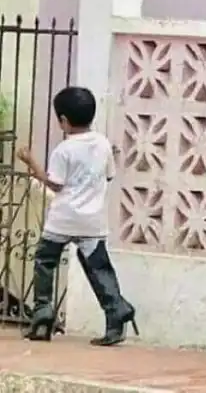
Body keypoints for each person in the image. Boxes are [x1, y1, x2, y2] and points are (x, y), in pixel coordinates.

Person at [17, 86, 138, 346]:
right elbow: (109, 176)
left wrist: (30, 162)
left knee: (45, 262)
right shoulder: (103, 144)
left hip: (62, 220)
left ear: (63, 120)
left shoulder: (64, 150)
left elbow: (55, 184)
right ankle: (116, 311)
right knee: (99, 269)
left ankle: (42, 314)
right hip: (92, 222)